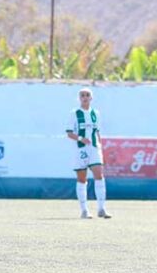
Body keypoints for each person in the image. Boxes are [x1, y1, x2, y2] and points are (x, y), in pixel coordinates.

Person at [65, 88, 111, 219]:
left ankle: (101, 208)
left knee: (99, 175)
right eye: (82, 95)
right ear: (79, 98)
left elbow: (97, 131)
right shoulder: (74, 113)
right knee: (82, 178)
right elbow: (69, 133)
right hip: (80, 150)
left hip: (94, 149)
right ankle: (84, 210)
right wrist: (81, 139)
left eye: (87, 95)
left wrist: (100, 146)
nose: (85, 97)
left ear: (91, 98)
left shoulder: (95, 113)